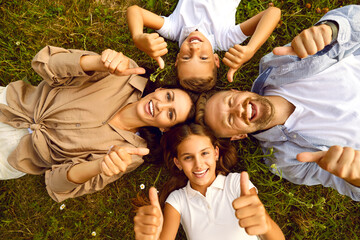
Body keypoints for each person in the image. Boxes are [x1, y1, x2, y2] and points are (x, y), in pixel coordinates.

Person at [197, 5, 360, 201]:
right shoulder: (286, 162)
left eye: (231, 101)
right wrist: (356, 178)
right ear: (238, 136)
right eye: (230, 120)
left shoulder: (277, 63)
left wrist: (330, 29)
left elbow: (354, 20)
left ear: (237, 90)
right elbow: (351, 189)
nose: (238, 109)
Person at [0, 46, 196, 202]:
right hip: (11, 103)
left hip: (15, 155)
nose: (161, 105)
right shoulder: (125, 73)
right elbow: (45, 63)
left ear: (165, 128)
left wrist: (99, 166)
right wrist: (98, 63)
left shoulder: (131, 154)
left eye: (170, 114)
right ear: (159, 88)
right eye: (168, 96)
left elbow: (56, 184)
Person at [133, 123, 285, 239]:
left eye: (204, 153)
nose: (198, 164)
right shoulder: (177, 200)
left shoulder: (236, 183)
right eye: (188, 157)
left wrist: (265, 223)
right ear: (178, 163)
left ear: (216, 153)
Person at [126, 1, 281, 92]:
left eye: (187, 57)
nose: (194, 49)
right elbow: (273, 13)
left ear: (177, 60)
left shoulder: (174, 29)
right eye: (203, 57)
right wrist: (251, 49)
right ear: (216, 59)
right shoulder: (224, 39)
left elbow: (134, 11)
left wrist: (138, 36)